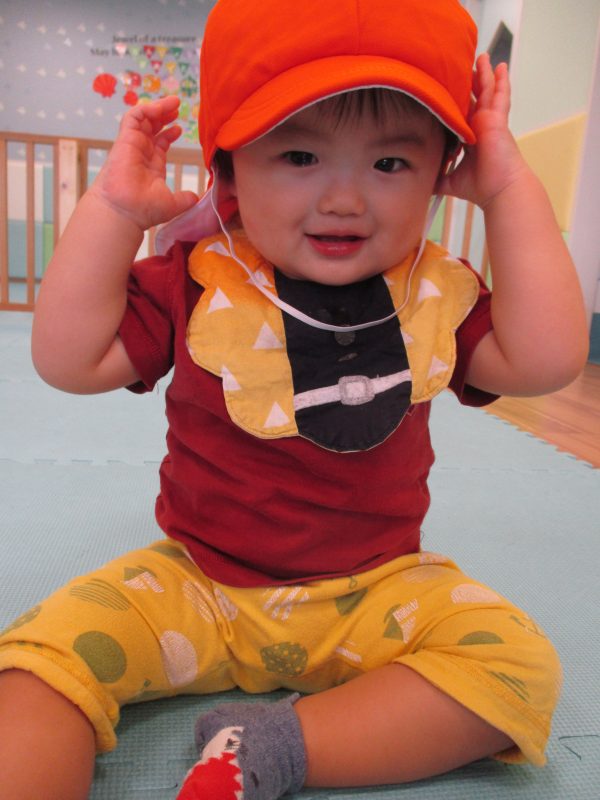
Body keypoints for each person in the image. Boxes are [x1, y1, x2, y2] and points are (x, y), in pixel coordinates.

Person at [0, 0, 589, 798]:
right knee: (37, 665)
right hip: (197, 585)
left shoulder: (435, 292)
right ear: (229, 169)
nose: (345, 198)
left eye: (391, 163)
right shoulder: (200, 277)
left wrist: (510, 188)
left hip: (377, 593)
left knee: (519, 666)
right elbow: (70, 361)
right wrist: (113, 212)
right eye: (300, 156)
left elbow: (547, 358)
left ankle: (269, 746)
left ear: (444, 171)